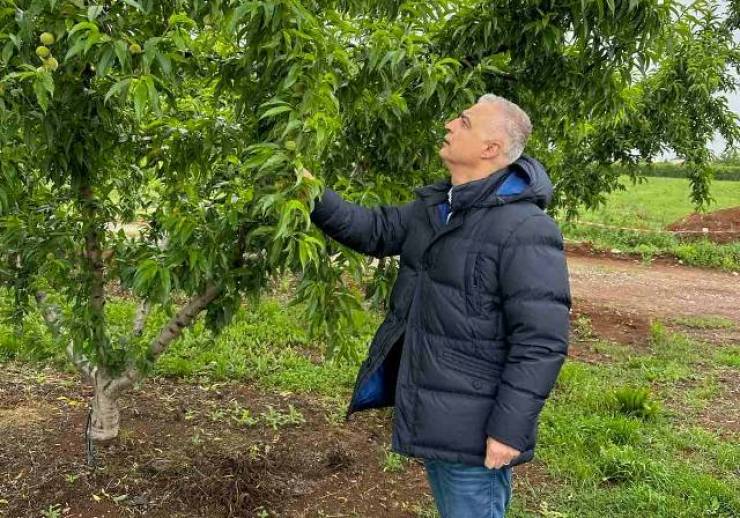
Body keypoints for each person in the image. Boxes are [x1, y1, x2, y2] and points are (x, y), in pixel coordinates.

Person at [308, 94, 571, 518]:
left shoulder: (525, 229)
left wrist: (508, 430)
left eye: (464, 122)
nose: (449, 124)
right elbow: (372, 228)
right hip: (439, 409)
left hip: (475, 423)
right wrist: (309, 190)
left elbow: (541, 341)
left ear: (490, 149)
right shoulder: (439, 208)